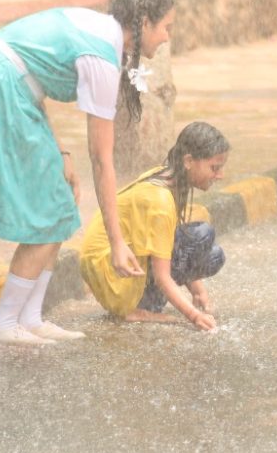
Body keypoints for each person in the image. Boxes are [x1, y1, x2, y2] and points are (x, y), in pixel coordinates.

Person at [0, 0, 175, 345]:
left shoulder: (99, 31)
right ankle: (4, 323)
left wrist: (60, 152)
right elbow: (101, 159)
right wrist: (117, 242)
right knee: (48, 212)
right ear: (144, 23)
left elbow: (32, 74)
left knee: (60, 203)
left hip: (0, 81)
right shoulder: (101, 56)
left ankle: (30, 318)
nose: (166, 38)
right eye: (166, 28)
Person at [79, 122, 229, 332]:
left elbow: (170, 244)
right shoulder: (160, 200)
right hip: (114, 277)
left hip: (114, 269)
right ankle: (136, 308)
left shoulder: (167, 175)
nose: (220, 175)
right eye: (214, 168)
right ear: (188, 161)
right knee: (202, 235)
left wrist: (197, 291)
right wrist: (194, 316)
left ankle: (142, 301)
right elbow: (162, 276)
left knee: (213, 255)